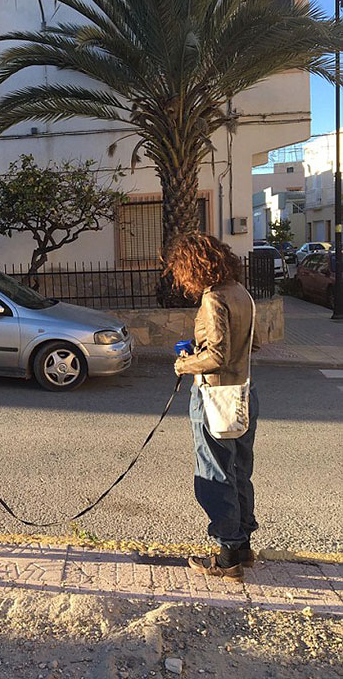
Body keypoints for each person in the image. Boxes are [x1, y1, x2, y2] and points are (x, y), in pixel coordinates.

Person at [166, 233, 260, 581]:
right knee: (238, 470)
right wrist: (200, 345)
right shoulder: (242, 293)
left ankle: (226, 556)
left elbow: (217, 355)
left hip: (215, 396)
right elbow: (254, 343)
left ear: (192, 266)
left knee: (213, 473)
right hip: (245, 393)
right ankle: (243, 547)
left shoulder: (214, 298)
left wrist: (185, 363)